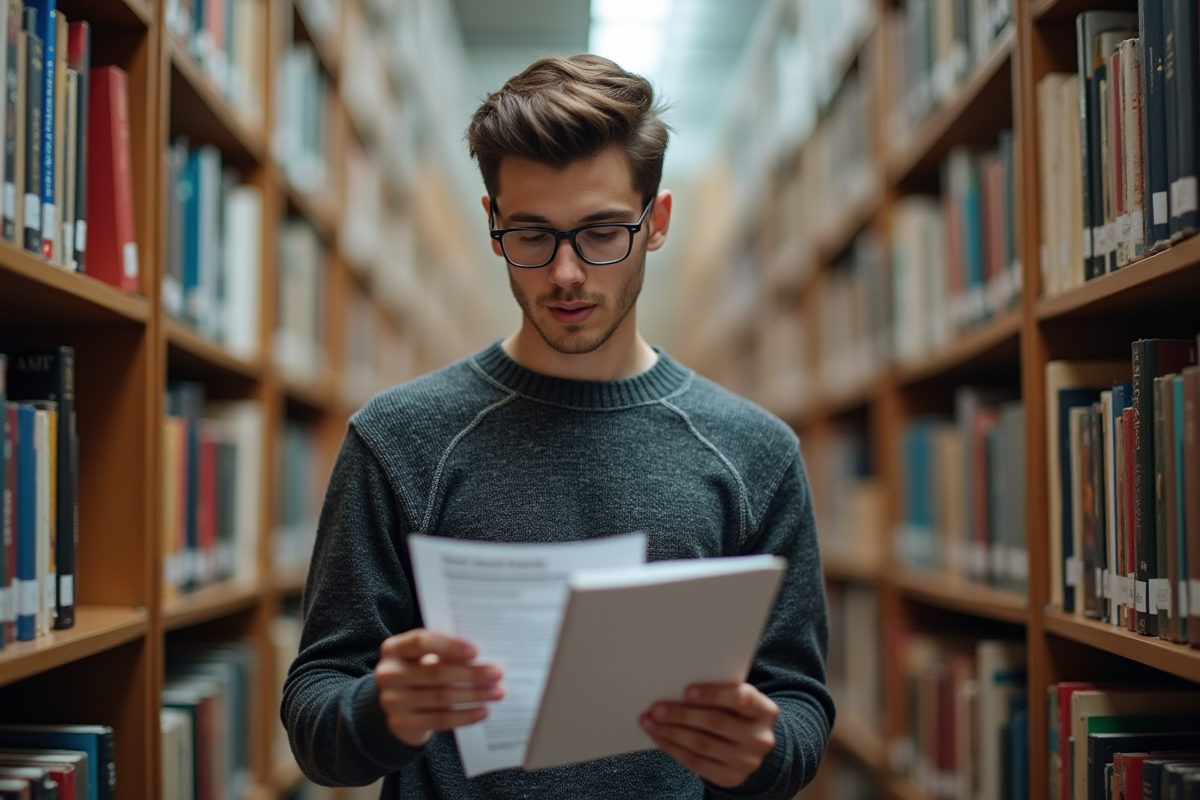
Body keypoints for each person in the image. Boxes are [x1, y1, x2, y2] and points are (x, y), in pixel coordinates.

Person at [282, 54, 834, 799]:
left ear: (657, 222)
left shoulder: (754, 453)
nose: (568, 273)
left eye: (603, 232)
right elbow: (317, 715)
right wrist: (380, 710)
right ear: (492, 226)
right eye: (533, 235)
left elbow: (799, 704)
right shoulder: (400, 438)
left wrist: (762, 751)